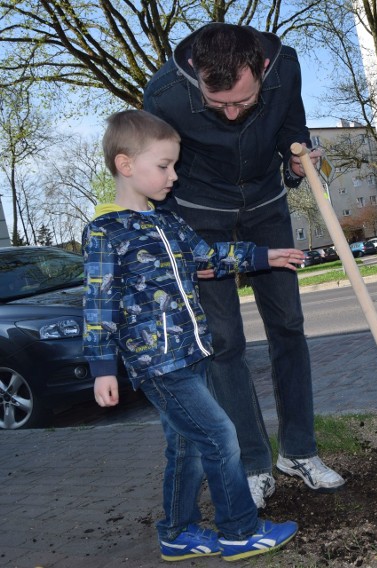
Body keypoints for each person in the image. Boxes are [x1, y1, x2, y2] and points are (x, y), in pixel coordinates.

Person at [83, 110, 304, 562]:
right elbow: (98, 305)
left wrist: (265, 256)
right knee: (220, 435)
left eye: (174, 165)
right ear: (126, 166)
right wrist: (103, 368)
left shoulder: (169, 223)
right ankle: (240, 530)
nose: (174, 175)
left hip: (192, 353)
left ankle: (177, 532)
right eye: (164, 166)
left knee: (186, 445)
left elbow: (209, 258)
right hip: (158, 364)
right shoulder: (105, 232)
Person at [143, 23, 345, 508]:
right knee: (224, 343)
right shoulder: (164, 96)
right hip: (199, 219)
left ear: (262, 69)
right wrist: (183, 248)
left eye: (243, 101)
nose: (232, 113)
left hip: (266, 206)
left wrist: (298, 161)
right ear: (196, 74)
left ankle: (298, 451)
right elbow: (157, 180)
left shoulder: (287, 66)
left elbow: (292, 131)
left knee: (289, 327)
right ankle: (253, 462)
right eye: (220, 105)